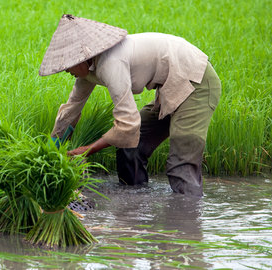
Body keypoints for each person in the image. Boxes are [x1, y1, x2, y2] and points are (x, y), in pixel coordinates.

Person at [40, 14, 221, 197]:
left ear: (81, 58)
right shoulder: (87, 71)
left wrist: (87, 150)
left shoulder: (111, 63)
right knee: (131, 145)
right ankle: (135, 203)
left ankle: (187, 216)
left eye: (67, 65)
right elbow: (71, 109)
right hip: (171, 86)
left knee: (180, 164)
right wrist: (52, 149)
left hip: (196, 82)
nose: (66, 71)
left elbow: (128, 124)